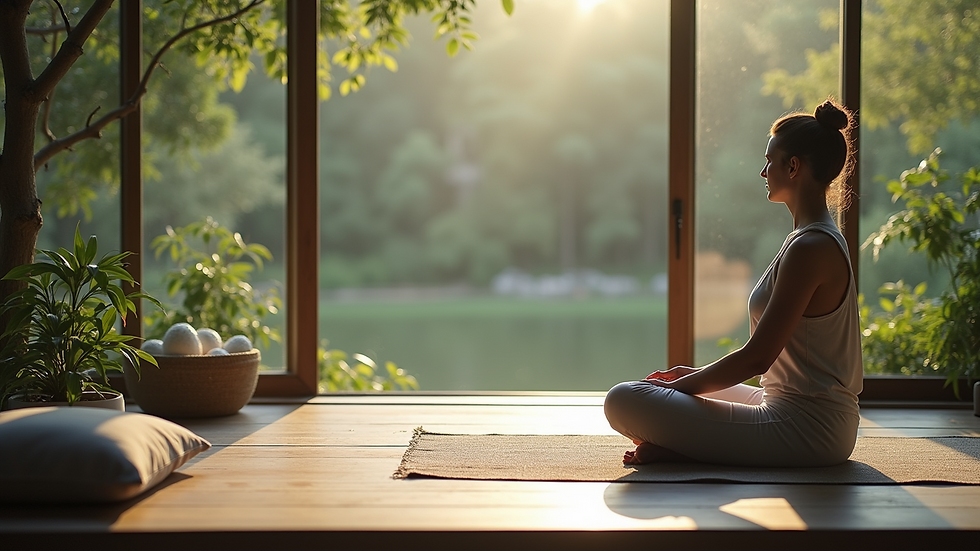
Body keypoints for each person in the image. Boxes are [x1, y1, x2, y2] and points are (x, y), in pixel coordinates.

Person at [603, 99, 862, 467]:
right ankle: (687, 445)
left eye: (769, 161)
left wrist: (676, 389)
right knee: (664, 389)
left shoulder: (812, 246)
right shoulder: (808, 238)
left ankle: (685, 450)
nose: (763, 172)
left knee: (622, 399)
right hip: (786, 405)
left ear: (793, 167)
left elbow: (757, 357)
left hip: (809, 427)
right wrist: (691, 377)